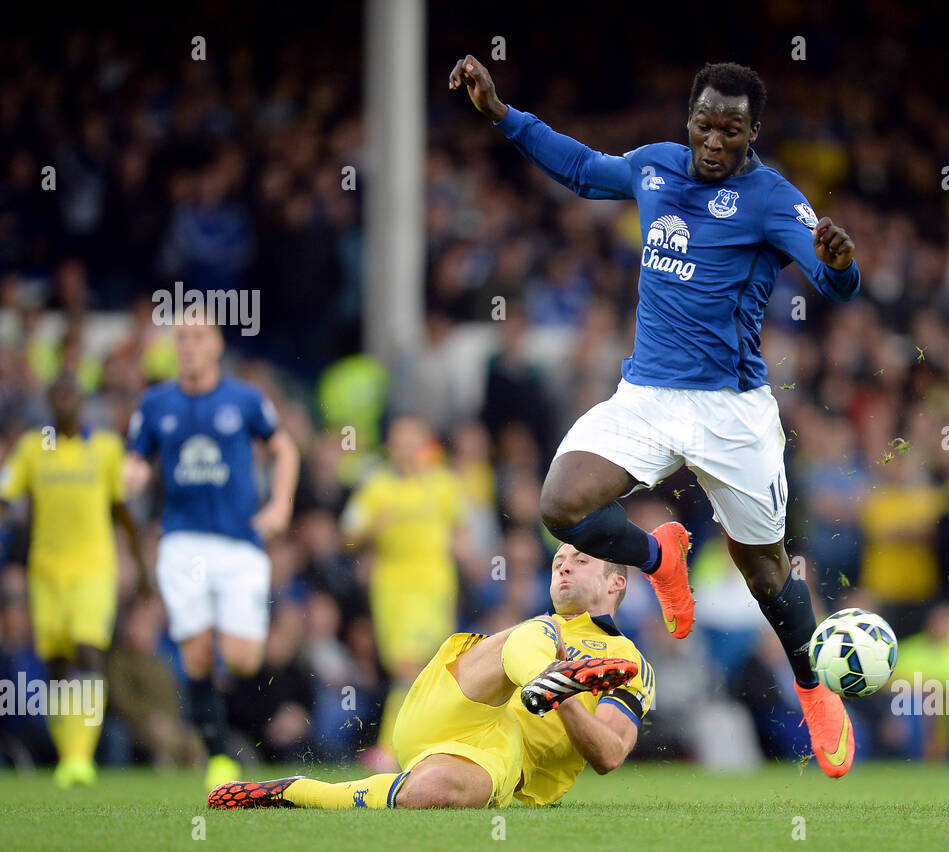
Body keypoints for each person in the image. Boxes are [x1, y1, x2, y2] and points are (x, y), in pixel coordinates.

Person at [449, 55, 862, 776]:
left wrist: (841, 264)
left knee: (764, 569)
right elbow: (581, 169)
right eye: (704, 123)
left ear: (753, 132)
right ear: (689, 121)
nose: (713, 140)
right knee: (559, 504)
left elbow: (833, 279)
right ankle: (657, 556)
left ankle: (813, 688)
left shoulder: (771, 198)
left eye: (730, 130)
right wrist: (503, 115)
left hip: (730, 412)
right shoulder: (656, 168)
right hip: (646, 395)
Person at [208, 544, 652, 810]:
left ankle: (299, 792)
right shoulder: (540, 628)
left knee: (431, 794)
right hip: (457, 701)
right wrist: (557, 678)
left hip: (502, 755)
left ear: (617, 583)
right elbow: (529, 638)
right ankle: (545, 676)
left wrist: (566, 699)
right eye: (558, 561)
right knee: (536, 630)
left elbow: (609, 755)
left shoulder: (629, 661)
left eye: (581, 560)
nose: (564, 566)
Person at [124, 317, 300, 790]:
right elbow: (137, 458)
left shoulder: (244, 399)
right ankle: (219, 756)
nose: (188, 346)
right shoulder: (156, 402)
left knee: (242, 658)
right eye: (181, 338)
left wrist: (279, 507)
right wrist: (132, 477)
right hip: (183, 543)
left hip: (239, 543)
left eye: (198, 337)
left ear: (217, 344)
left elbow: (284, 449)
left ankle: (235, 715)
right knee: (197, 654)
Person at [0, 374, 150, 786]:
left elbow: (122, 512)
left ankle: (81, 756)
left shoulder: (104, 448)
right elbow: (5, 495)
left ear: (83, 402)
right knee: (58, 663)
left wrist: (143, 571)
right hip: (46, 571)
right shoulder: (34, 449)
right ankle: (69, 751)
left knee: (88, 647)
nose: (65, 402)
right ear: (50, 402)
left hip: (93, 567)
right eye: (58, 395)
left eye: (72, 395)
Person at [340, 415, 466, 769]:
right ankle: (416, 746)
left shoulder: (444, 485)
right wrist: (366, 531)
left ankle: (394, 749)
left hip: (435, 586)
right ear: (391, 448)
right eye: (402, 443)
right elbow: (347, 533)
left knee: (421, 665)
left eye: (415, 442)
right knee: (408, 666)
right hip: (392, 588)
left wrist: (465, 555)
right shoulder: (377, 486)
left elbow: (463, 532)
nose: (409, 450)